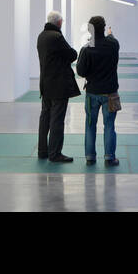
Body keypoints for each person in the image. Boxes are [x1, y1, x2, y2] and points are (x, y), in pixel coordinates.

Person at [75, 15, 120, 167]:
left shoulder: (86, 49)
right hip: (110, 93)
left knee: (90, 125)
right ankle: (109, 158)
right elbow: (112, 39)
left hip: (92, 93)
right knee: (109, 126)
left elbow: (80, 72)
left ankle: (90, 157)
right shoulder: (113, 45)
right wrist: (110, 34)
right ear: (104, 28)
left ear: (89, 30)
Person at [36, 10, 80, 163]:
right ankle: (55, 154)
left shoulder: (41, 36)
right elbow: (72, 54)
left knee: (45, 118)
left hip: (45, 84)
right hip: (59, 86)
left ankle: (42, 151)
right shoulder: (56, 37)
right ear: (59, 23)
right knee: (57, 120)